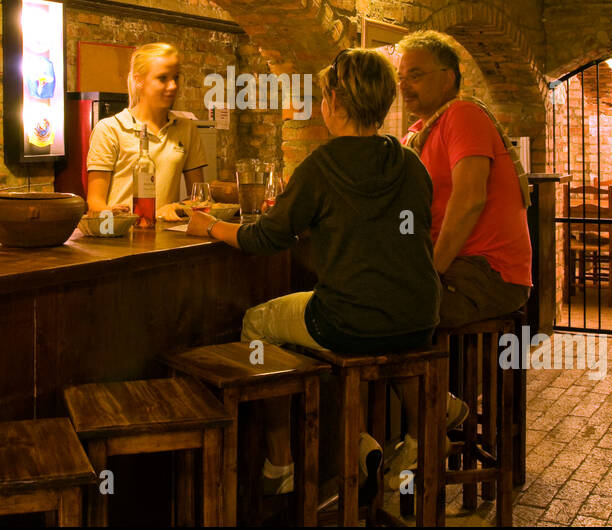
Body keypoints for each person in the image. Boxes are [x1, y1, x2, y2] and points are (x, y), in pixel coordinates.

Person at [187, 48, 440, 499]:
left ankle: (282, 461)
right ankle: (355, 443)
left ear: (334, 103)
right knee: (360, 327)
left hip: (348, 323)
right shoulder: (411, 163)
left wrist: (209, 225)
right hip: (420, 320)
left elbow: (265, 238)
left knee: (257, 323)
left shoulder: (321, 167)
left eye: (323, 95)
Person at [383, 29, 533, 487]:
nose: (405, 85)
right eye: (401, 76)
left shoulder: (462, 116)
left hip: (489, 270)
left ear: (449, 78)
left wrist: (429, 272)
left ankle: (424, 429)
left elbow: (469, 200)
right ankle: (431, 418)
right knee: (376, 305)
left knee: (391, 314)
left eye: (417, 75)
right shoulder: (417, 133)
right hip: (461, 268)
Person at [86, 43, 208, 221]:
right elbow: (94, 205)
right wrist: (112, 216)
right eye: (162, 78)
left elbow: (199, 199)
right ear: (138, 80)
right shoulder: (110, 129)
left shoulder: (186, 129)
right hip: (119, 241)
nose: (173, 86)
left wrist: (176, 207)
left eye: (176, 77)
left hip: (166, 239)